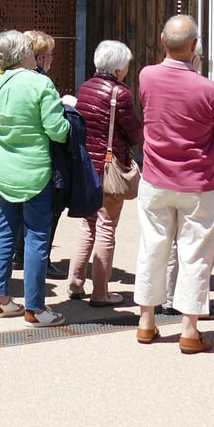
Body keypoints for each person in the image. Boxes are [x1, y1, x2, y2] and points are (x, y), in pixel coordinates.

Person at [133, 14, 214, 354]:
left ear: (163, 41)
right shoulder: (208, 89)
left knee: (152, 247)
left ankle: (146, 321)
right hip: (197, 183)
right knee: (195, 253)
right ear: (194, 47)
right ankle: (189, 329)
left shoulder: (147, 76)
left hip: (155, 178)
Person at [0, 30, 71, 326]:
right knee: (37, 237)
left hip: (4, 168)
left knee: (5, 230)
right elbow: (57, 130)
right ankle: (35, 308)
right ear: (23, 53)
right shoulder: (40, 83)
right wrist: (70, 118)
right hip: (34, 169)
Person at [65, 39, 140, 304]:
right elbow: (134, 134)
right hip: (110, 169)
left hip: (88, 168)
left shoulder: (86, 87)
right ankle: (100, 292)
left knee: (88, 224)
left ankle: (75, 283)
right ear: (119, 69)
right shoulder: (121, 93)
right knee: (107, 227)